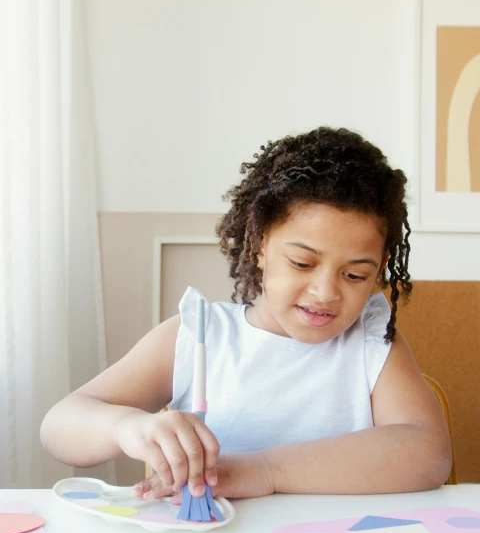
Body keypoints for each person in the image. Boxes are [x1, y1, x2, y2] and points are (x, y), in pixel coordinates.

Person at [40, 127, 452, 500]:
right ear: (260, 250)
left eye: (354, 274)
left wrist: (265, 471)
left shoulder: (371, 343)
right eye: (302, 264)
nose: (326, 292)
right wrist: (126, 428)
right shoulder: (199, 334)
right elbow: (59, 426)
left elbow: (428, 453)